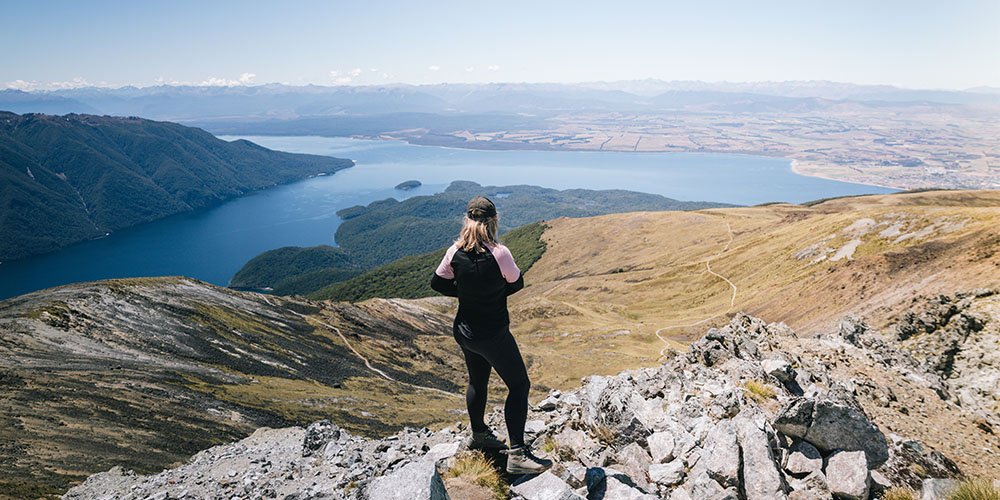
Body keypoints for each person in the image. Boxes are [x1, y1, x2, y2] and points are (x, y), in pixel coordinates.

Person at [430, 196, 553, 475]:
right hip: (493, 334)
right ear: (493, 222)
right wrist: (494, 292)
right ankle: (518, 453)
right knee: (519, 385)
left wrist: (464, 291)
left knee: (477, 381)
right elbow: (516, 282)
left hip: (465, 331)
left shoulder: (454, 252)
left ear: (468, 221)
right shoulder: (500, 253)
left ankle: (479, 435)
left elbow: (437, 282)